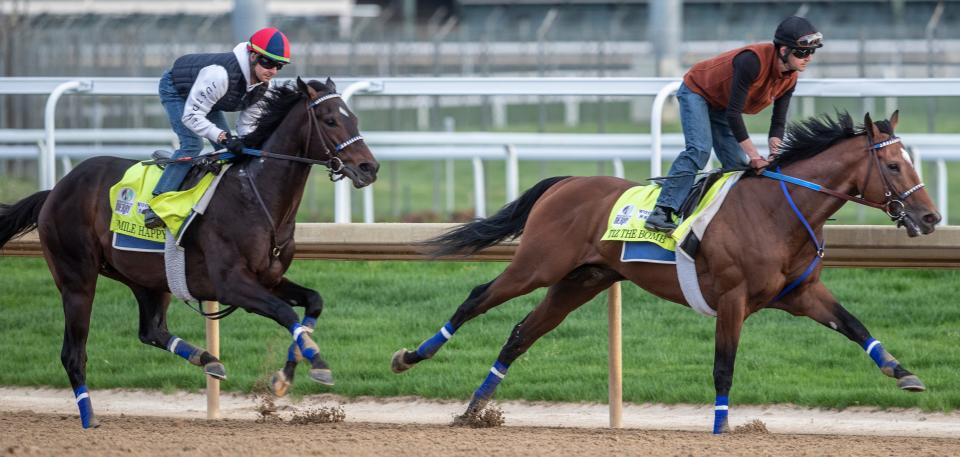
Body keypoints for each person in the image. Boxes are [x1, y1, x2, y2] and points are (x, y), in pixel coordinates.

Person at [644, 16, 823, 233]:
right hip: (697, 92)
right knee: (699, 150)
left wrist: (775, 153)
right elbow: (734, 114)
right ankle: (661, 211)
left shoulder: (790, 78)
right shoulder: (752, 61)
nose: (808, 58)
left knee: (737, 165)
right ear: (784, 50)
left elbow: (778, 122)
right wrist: (756, 157)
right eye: (802, 52)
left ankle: (722, 214)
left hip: (720, 103)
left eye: (812, 52)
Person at [143, 27, 292, 229]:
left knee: (225, 151)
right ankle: (157, 204)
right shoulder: (219, 75)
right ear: (253, 55)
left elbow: (246, 125)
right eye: (268, 62)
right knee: (192, 144)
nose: (273, 71)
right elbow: (191, 116)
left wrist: (246, 144)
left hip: (208, 97)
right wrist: (224, 137)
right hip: (178, 90)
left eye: (279, 66)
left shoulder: (264, 87)